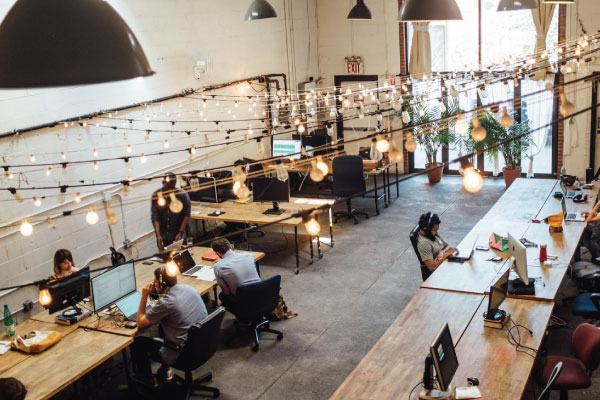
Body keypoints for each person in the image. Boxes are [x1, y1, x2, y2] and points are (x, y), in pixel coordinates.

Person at [132, 266, 207, 385]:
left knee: (138, 343)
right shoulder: (188, 288)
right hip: (204, 345)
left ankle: (148, 380)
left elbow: (140, 323)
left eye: (155, 282)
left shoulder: (167, 303)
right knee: (164, 325)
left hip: (184, 354)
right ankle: (165, 369)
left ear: (162, 284)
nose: (154, 285)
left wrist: (144, 296)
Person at [211, 238, 260, 309]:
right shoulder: (248, 255)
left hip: (243, 300)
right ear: (229, 246)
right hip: (260, 293)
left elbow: (227, 292)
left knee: (222, 296)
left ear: (217, 253)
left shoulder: (218, 266)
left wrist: (222, 262)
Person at [151, 172, 191, 249]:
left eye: (172, 188)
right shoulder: (156, 195)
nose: (169, 190)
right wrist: (158, 235)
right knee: (165, 258)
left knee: (179, 256)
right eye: (167, 187)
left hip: (177, 233)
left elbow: (186, 215)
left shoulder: (182, 195)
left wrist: (180, 232)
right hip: (163, 234)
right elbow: (155, 217)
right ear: (163, 183)